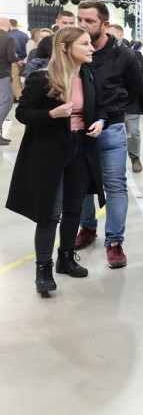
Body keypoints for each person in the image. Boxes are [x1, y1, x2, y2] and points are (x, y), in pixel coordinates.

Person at [6, 27, 105, 293]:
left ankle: (66, 258)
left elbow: (100, 107)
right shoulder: (42, 78)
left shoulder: (88, 75)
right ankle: (43, 268)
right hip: (50, 151)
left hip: (81, 148)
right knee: (50, 213)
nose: (91, 48)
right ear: (65, 47)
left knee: (74, 208)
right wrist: (52, 114)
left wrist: (100, 121)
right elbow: (23, 114)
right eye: (84, 44)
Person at [72, 1, 143, 269]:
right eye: (80, 19)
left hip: (112, 129)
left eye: (89, 21)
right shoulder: (73, 51)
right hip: (78, 129)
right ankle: (87, 228)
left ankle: (114, 242)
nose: (82, 25)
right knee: (81, 185)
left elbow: (135, 89)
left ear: (104, 24)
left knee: (115, 186)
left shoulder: (125, 55)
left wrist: (112, 112)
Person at [0, 17, 16, 145]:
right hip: (3, 74)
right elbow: (11, 57)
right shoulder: (9, 38)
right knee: (7, 103)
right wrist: (18, 59)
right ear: (8, 25)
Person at [8, 18, 28, 101]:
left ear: (9, 24)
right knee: (24, 78)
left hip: (14, 60)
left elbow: (12, 49)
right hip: (25, 60)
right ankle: (26, 95)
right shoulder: (24, 35)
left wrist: (17, 59)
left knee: (15, 78)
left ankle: (19, 96)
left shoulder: (8, 35)